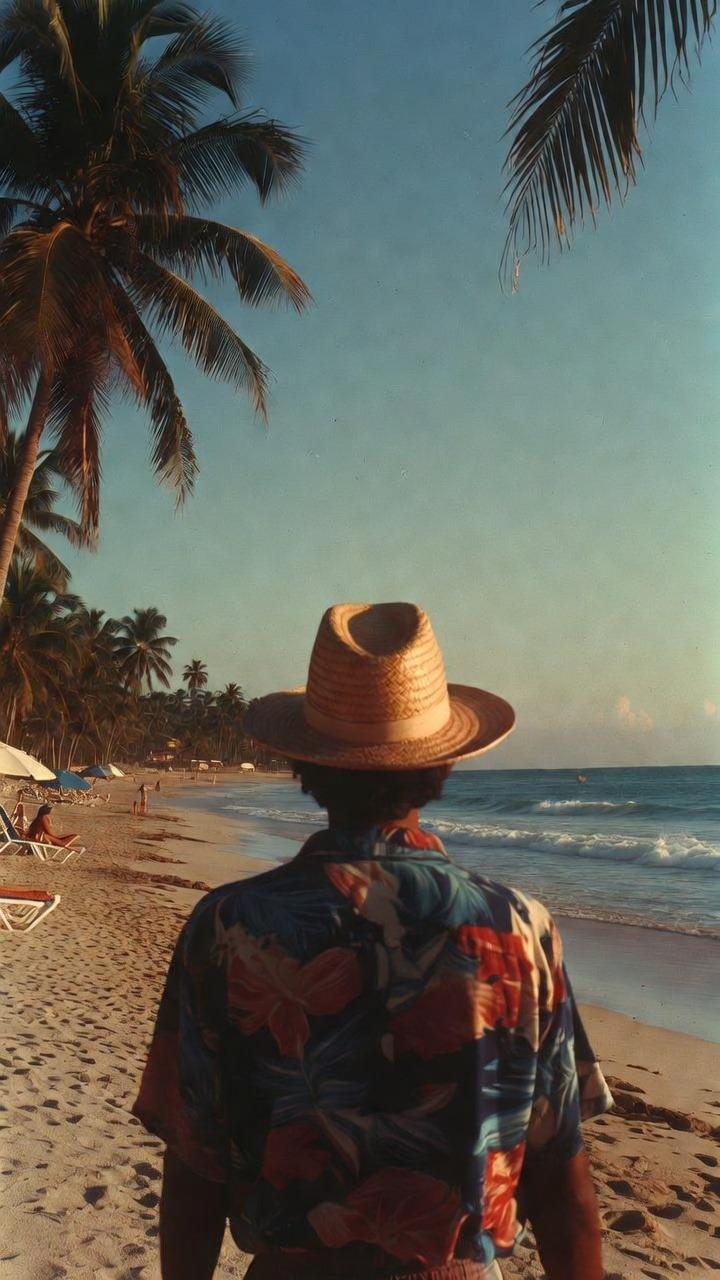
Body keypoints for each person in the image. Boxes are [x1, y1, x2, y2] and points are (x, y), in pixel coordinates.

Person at [133, 602, 612, 1280]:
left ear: (307, 764)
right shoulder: (518, 929)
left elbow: (194, 1173)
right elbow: (562, 1189)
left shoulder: (229, 927)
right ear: (440, 765)